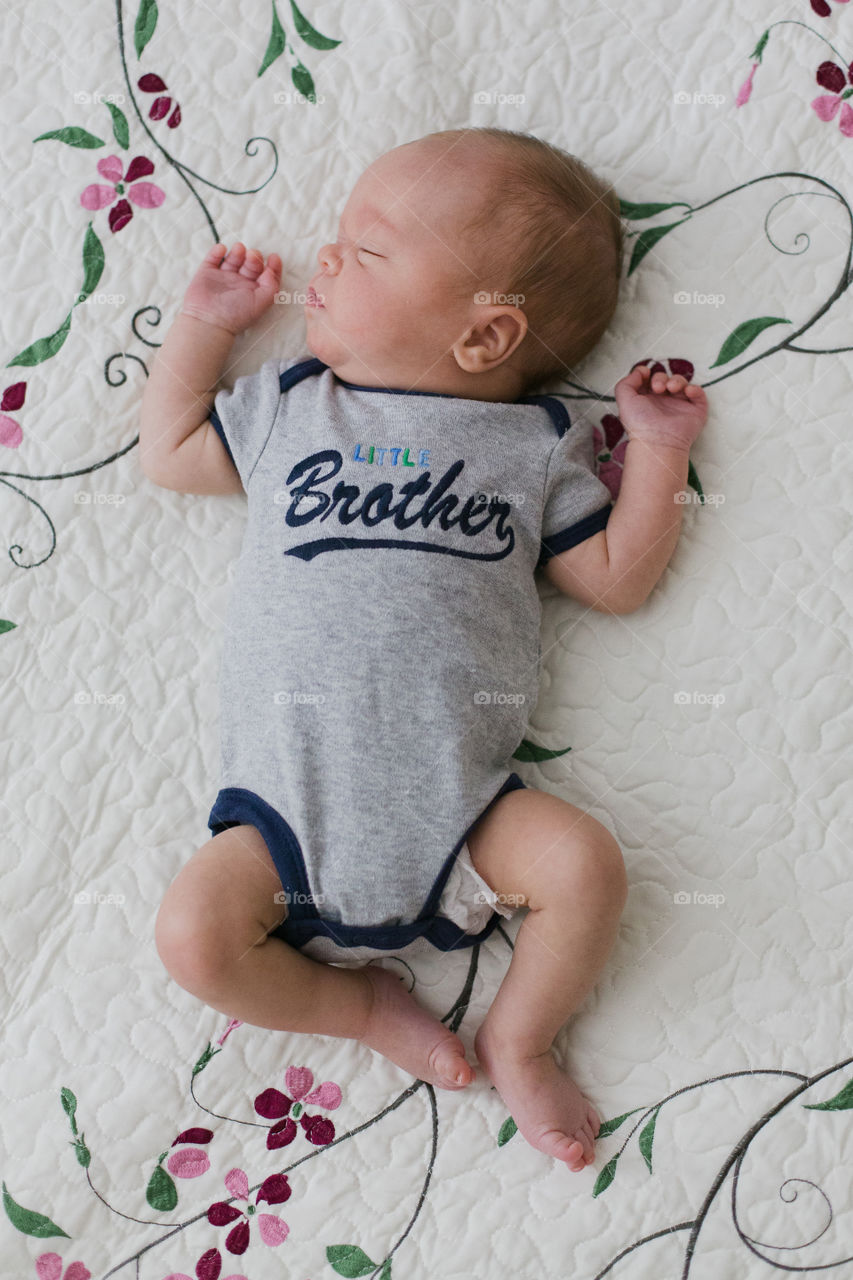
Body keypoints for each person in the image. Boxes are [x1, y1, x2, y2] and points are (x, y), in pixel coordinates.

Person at [140, 127, 708, 1172]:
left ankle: (520, 1034)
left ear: (485, 337)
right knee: (191, 938)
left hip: (465, 808)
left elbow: (618, 579)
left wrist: (659, 451)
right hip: (285, 812)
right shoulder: (293, 406)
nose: (328, 257)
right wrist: (204, 326)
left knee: (584, 864)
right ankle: (357, 1007)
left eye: (370, 249)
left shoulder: (530, 449)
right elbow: (170, 451)